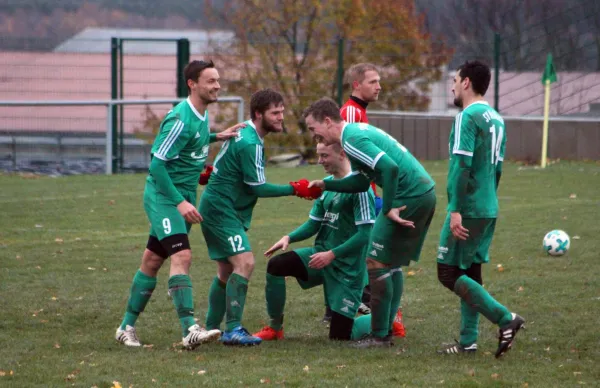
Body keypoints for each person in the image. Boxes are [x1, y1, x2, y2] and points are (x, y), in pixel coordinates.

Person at [115, 60, 243, 349]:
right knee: (182, 257)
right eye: (211, 81)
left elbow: (192, 142)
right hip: (165, 197)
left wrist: (216, 136)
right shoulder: (180, 118)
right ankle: (190, 329)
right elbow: (157, 166)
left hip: (182, 196)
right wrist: (180, 203)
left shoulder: (201, 115)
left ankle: (125, 327)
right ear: (192, 84)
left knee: (152, 261)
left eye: (218, 80)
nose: (217, 86)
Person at [304, 98, 436, 348]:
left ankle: (379, 335)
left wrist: (387, 208)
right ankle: (386, 329)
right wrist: (326, 184)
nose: (314, 136)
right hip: (422, 191)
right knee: (390, 263)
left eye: (313, 129)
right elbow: (362, 183)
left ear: (328, 121)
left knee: (374, 261)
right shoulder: (355, 133)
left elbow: (390, 168)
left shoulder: (350, 138)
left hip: (410, 196)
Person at [199, 88, 322, 346]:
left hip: (218, 205)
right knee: (245, 263)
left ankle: (210, 328)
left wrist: (216, 174)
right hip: (222, 210)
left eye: (282, 112)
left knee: (225, 269)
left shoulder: (244, 129)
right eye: (275, 113)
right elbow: (258, 187)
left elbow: (228, 166)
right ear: (259, 114)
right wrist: (294, 189)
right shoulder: (251, 142)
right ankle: (232, 329)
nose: (280, 118)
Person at [253, 141, 400, 342]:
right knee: (277, 265)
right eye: (319, 155)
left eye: (324, 156)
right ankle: (275, 328)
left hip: (347, 269)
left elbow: (365, 235)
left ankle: (388, 317)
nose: (320, 161)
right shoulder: (327, 185)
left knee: (340, 337)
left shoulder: (361, 189)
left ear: (342, 154)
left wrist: (332, 255)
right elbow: (313, 224)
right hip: (320, 256)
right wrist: (289, 237)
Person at [436, 60, 524, 358]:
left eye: (455, 79)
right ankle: (467, 342)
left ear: (466, 83)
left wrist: (457, 208)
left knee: (447, 273)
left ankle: (505, 318)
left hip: (469, 206)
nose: (452, 85)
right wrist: (487, 200)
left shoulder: (467, 116)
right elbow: (497, 167)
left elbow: (462, 165)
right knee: (470, 272)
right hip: (488, 205)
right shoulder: (496, 117)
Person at [336, 63, 405, 338]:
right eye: (373, 81)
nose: (379, 86)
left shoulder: (359, 111)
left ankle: (365, 306)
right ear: (356, 84)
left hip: (366, 191)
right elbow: (353, 157)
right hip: (361, 193)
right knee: (374, 252)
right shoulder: (352, 112)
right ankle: (371, 308)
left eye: (379, 81)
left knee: (373, 251)